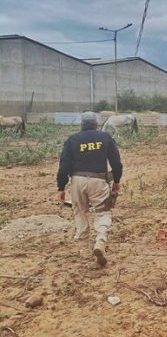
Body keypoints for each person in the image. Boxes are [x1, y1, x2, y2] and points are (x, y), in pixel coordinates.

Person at [56, 111, 123, 267]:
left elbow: (64, 165)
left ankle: (84, 248)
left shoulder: (72, 139)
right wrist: (117, 181)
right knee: (103, 211)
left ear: (82, 125)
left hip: (77, 181)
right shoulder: (105, 137)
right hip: (98, 180)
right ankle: (100, 241)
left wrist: (61, 187)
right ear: (96, 124)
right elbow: (116, 162)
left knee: (79, 212)